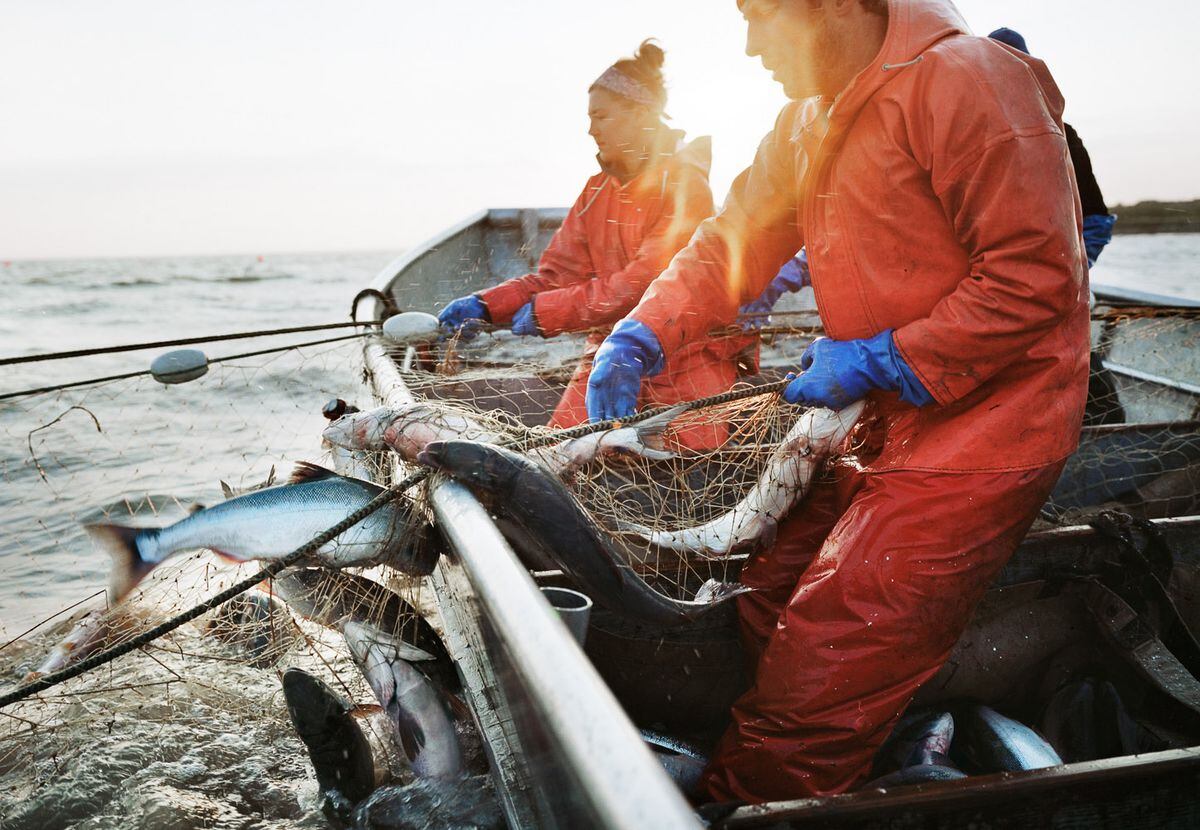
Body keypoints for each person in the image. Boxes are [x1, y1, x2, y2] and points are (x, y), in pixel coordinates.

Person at [585, 0, 1090, 803]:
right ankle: (880, 742)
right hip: (874, 418)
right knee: (764, 602)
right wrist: (641, 330)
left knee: (827, 654)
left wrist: (888, 356)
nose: (749, 45)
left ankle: (752, 798)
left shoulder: (967, 79)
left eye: (762, 15)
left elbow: (1037, 278)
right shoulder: (804, 119)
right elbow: (731, 240)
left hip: (989, 424)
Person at [437, 40, 753, 449]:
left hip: (687, 355)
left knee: (685, 468)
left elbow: (640, 288)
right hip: (608, 353)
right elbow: (554, 276)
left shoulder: (684, 186)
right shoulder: (595, 191)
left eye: (601, 115)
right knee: (558, 454)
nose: (591, 129)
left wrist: (547, 311)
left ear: (642, 114)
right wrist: (487, 304)